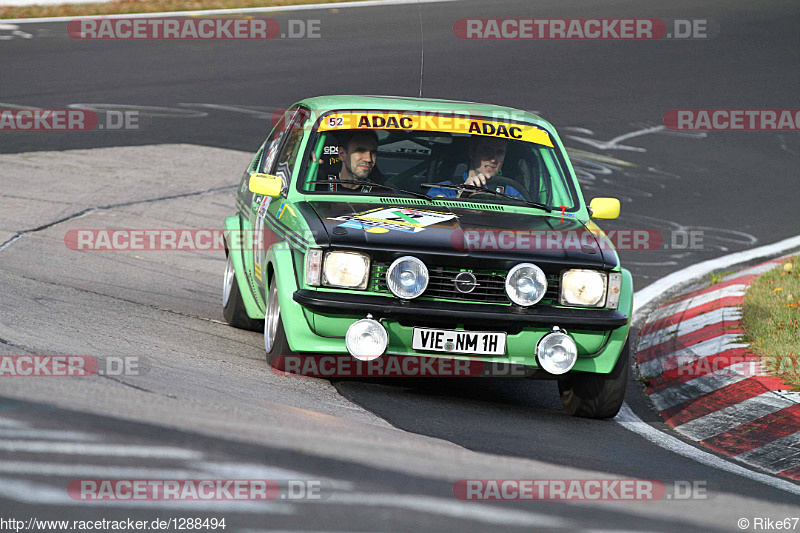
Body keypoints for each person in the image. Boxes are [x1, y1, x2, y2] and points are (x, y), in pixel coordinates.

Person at [427, 136, 522, 198]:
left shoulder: (512, 192)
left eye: (500, 153)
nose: (493, 159)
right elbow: (431, 214)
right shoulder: (444, 188)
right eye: (487, 150)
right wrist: (462, 196)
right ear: (472, 151)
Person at [317, 130, 381, 192]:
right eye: (361, 151)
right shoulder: (318, 185)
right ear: (342, 154)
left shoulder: (382, 191)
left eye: (373, 152)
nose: (368, 159)